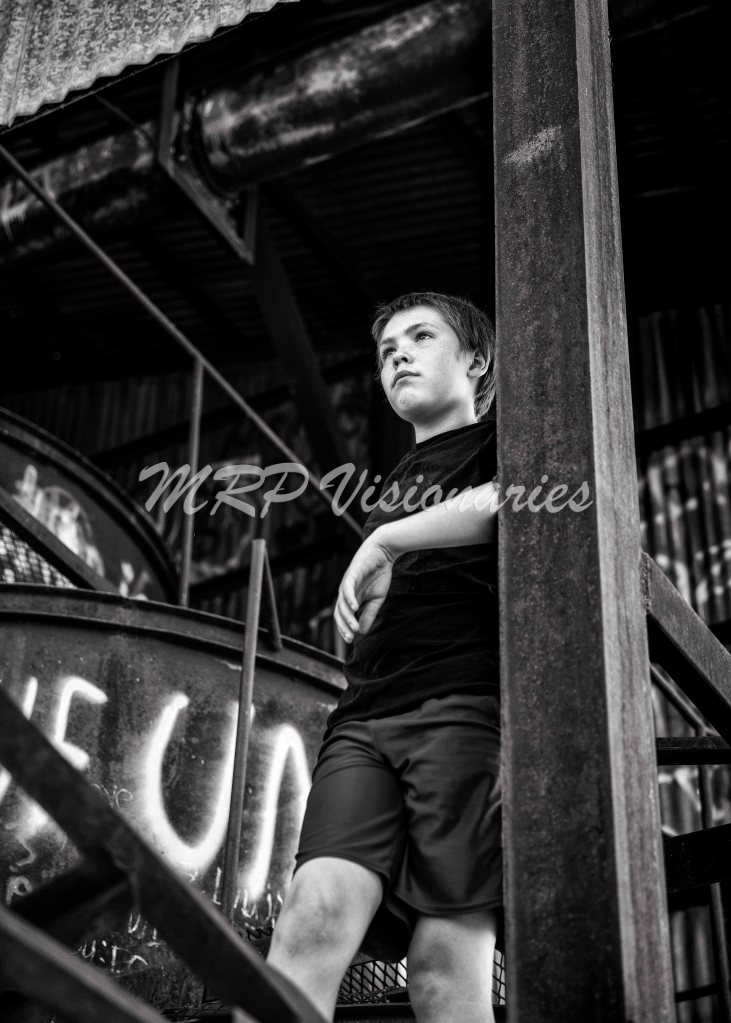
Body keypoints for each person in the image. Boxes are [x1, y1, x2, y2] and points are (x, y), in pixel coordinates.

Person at [267, 292, 502, 1023]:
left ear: (476, 360)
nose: (397, 354)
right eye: (386, 349)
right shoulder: (396, 479)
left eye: (420, 337)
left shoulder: (506, 436)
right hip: (362, 719)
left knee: (441, 969)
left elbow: (513, 499)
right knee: (310, 920)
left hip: (463, 707)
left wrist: (386, 538)